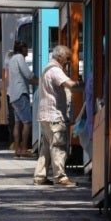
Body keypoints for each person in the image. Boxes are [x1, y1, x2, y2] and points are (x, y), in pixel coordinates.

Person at [34, 45, 80, 187]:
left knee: (47, 148)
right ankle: (60, 177)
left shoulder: (47, 68)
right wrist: (85, 85)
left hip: (45, 115)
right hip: (54, 115)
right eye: (67, 59)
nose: (68, 62)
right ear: (59, 57)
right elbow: (70, 84)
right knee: (59, 147)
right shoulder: (55, 70)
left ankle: (40, 176)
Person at [6, 42, 33, 157]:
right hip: (21, 93)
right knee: (27, 122)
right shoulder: (20, 58)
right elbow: (28, 74)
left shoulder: (11, 59)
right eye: (26, 48)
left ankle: (17, 149)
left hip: (13, 95)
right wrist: (41, 80)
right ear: (21, 49)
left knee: (17, 123)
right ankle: (24, 149)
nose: (27, 50)